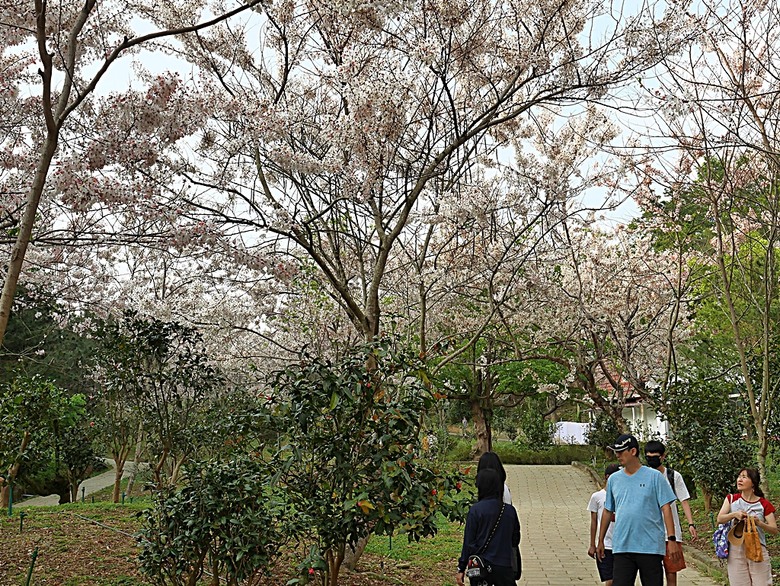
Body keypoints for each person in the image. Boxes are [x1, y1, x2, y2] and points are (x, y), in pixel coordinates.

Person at [597, 434, 682, 586]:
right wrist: (600, 541)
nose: (617, 455)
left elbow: (666, 508)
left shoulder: (654, 477)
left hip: (650, 547)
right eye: (616, 451)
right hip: (622, 546)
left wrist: (672, 539)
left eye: (621, 451)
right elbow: (607, 511)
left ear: (633, 451)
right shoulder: (614, 480)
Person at [643, 440, 698, 586]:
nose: (651, 460)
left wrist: (691, 524)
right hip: (649, 533)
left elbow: (684, 500)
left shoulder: (673, 476)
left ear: (663, 457)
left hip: (671, 533)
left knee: (671, 571)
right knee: (651, 573)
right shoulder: (642, 476)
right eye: (648, 457)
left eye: (655, 457)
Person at [456, 468, 520, 586]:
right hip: (504, 566)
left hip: (479, 566)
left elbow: (469, 543)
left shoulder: (476, 510)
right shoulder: (509, 511)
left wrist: (461, 568)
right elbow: (515, 539)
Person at [716, 467, 777, 585]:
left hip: (757, 547)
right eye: (739, 476)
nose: (740, 479)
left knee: (762, 583)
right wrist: (734, 514)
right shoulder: (731, 499)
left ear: (753, 483)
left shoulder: (764, 504)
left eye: (744, 477)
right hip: (735, 549)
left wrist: (759, 523)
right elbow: (720, 519)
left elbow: (774, 529)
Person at [588, 463, 620, 586]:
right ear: (607, 477)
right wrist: (593, 544)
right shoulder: (597, 497)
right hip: (606, 545)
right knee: (610, 579)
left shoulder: (624, 495)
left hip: (622, 545)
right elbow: (594, 522)